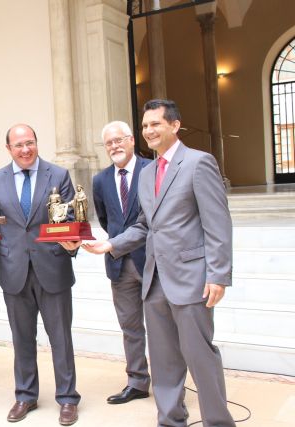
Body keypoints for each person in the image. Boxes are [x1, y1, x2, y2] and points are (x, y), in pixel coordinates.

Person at [82, 100, 235, 427]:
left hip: (190, 279)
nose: (149, 131)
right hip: (154, 281)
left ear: (175, 125)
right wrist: (110, 244)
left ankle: (218, 422)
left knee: (200, 357)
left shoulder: (198, 163)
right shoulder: (148, 172)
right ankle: (170, 420)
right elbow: (143, 225)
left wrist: (218, 274)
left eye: (155, 124)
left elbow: (218, 223)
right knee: (164, 362)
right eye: (145, 126)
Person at [0, 124, 81, 426]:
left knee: (61, 338)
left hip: (53, 267)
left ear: (36, 143)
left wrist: (73, 244)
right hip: (15, 270)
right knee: (22, 338)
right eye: (19, 145)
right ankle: (25, 395)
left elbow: (70, 217)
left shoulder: (58, 175)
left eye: (30, 143)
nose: (26, 149)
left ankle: (67, 398)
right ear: (8, 148)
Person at [92, 121, 151, 404]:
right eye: (109, 143)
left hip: (152, 261)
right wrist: (115, 244)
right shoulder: (100, 180)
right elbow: (106, 220)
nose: (114, 146)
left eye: (119, 140)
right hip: (119, 263)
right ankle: (137, 381)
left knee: (162, 328)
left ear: (131, 140)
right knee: (130, 327)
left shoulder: (152, 169)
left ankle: (169, 383)